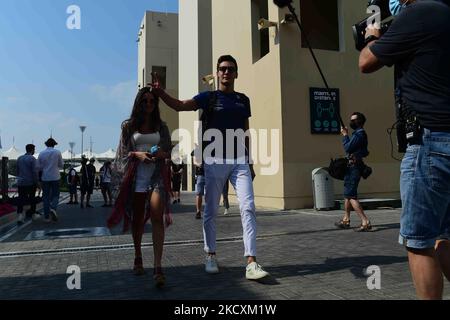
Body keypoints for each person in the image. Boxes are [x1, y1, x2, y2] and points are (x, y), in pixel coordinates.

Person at [359, 0, 450, 299]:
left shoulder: (419, 13)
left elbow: (366, 62)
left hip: (429, 144)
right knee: (444, 238)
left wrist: (372, 33)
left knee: (419, 241)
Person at [151, 55, 268, 280]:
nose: (226, 72)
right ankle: (211, 254)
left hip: (239, 161)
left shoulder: (243, 100)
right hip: (214, 160)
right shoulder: (209, 98)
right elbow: (181, 105)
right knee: (211, 210)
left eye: (231, 69)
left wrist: (250, 161)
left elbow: (245, 131)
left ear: (236, 73)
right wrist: (160, 92)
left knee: (248, 207)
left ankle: (251, 262)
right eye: (222, 69)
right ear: (217, 73)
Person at [108, 86, 172, 288]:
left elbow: (168, 150)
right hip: (136, 177)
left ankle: (158, 266)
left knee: (156, 216)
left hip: (156, 177)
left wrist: (160, 153)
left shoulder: (161, 126)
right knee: (137, 220)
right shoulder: (128, 126)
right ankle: (137, 255)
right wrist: (138, 154)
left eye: (152, 101)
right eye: (145, 101)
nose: (149, 104)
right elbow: (123, 153)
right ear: (139, 103)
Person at [335, 112, 372, 232]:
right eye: (351, 120)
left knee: (351, 196)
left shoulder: (360, 134)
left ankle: (365, 221)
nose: (351, 122)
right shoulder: (358, 134)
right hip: (352, 167)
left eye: (354, 120)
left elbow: (347, 148)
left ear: (360, 121)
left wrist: (345, 135)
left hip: (353, 168)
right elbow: (364, 151)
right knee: (347, 195)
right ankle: (346, 220)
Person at [37, 138, 63, 222]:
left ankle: (47, 217)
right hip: (55, 176)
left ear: (46, 144)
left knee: (45, 197)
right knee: (56, 194)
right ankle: (53, 208)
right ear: (54, 144)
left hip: (45, 177)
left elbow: (38, 167)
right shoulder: (57, 152)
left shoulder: (41, 153)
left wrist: (45, 168)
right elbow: (61, 165)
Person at [16, 144, 40, 224]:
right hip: (30, 182)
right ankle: (33, 214)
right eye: (34, 149)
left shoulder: (19, 158)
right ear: (32, 150)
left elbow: (17, 171)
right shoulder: (32, 159)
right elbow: (34, 172)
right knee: (32, 198)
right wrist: (37, 182)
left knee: (21, 199)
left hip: (21, 182)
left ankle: (20, 216)